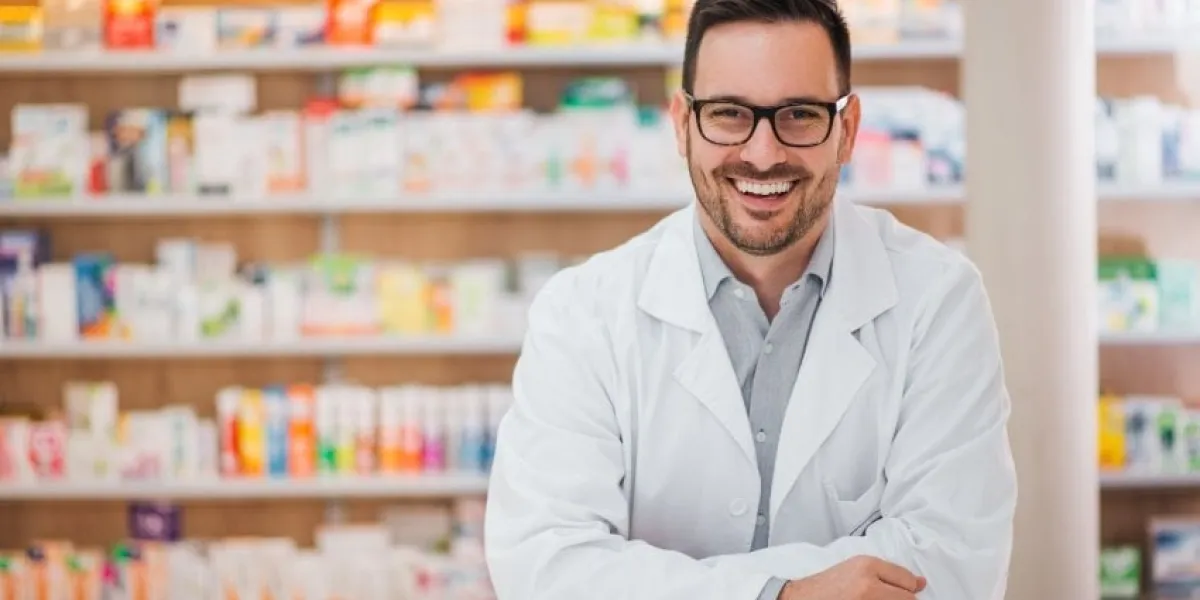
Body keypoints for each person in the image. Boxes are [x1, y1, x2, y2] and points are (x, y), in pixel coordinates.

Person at [483, 0, 1018, 598]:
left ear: (847, 129)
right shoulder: (583, 313)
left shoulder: (938, 300)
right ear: (683, 124)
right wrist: (783, 595)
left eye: (799, 114)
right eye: (731, 114)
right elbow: (546, 568)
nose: (763, 154)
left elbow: (952, 563)